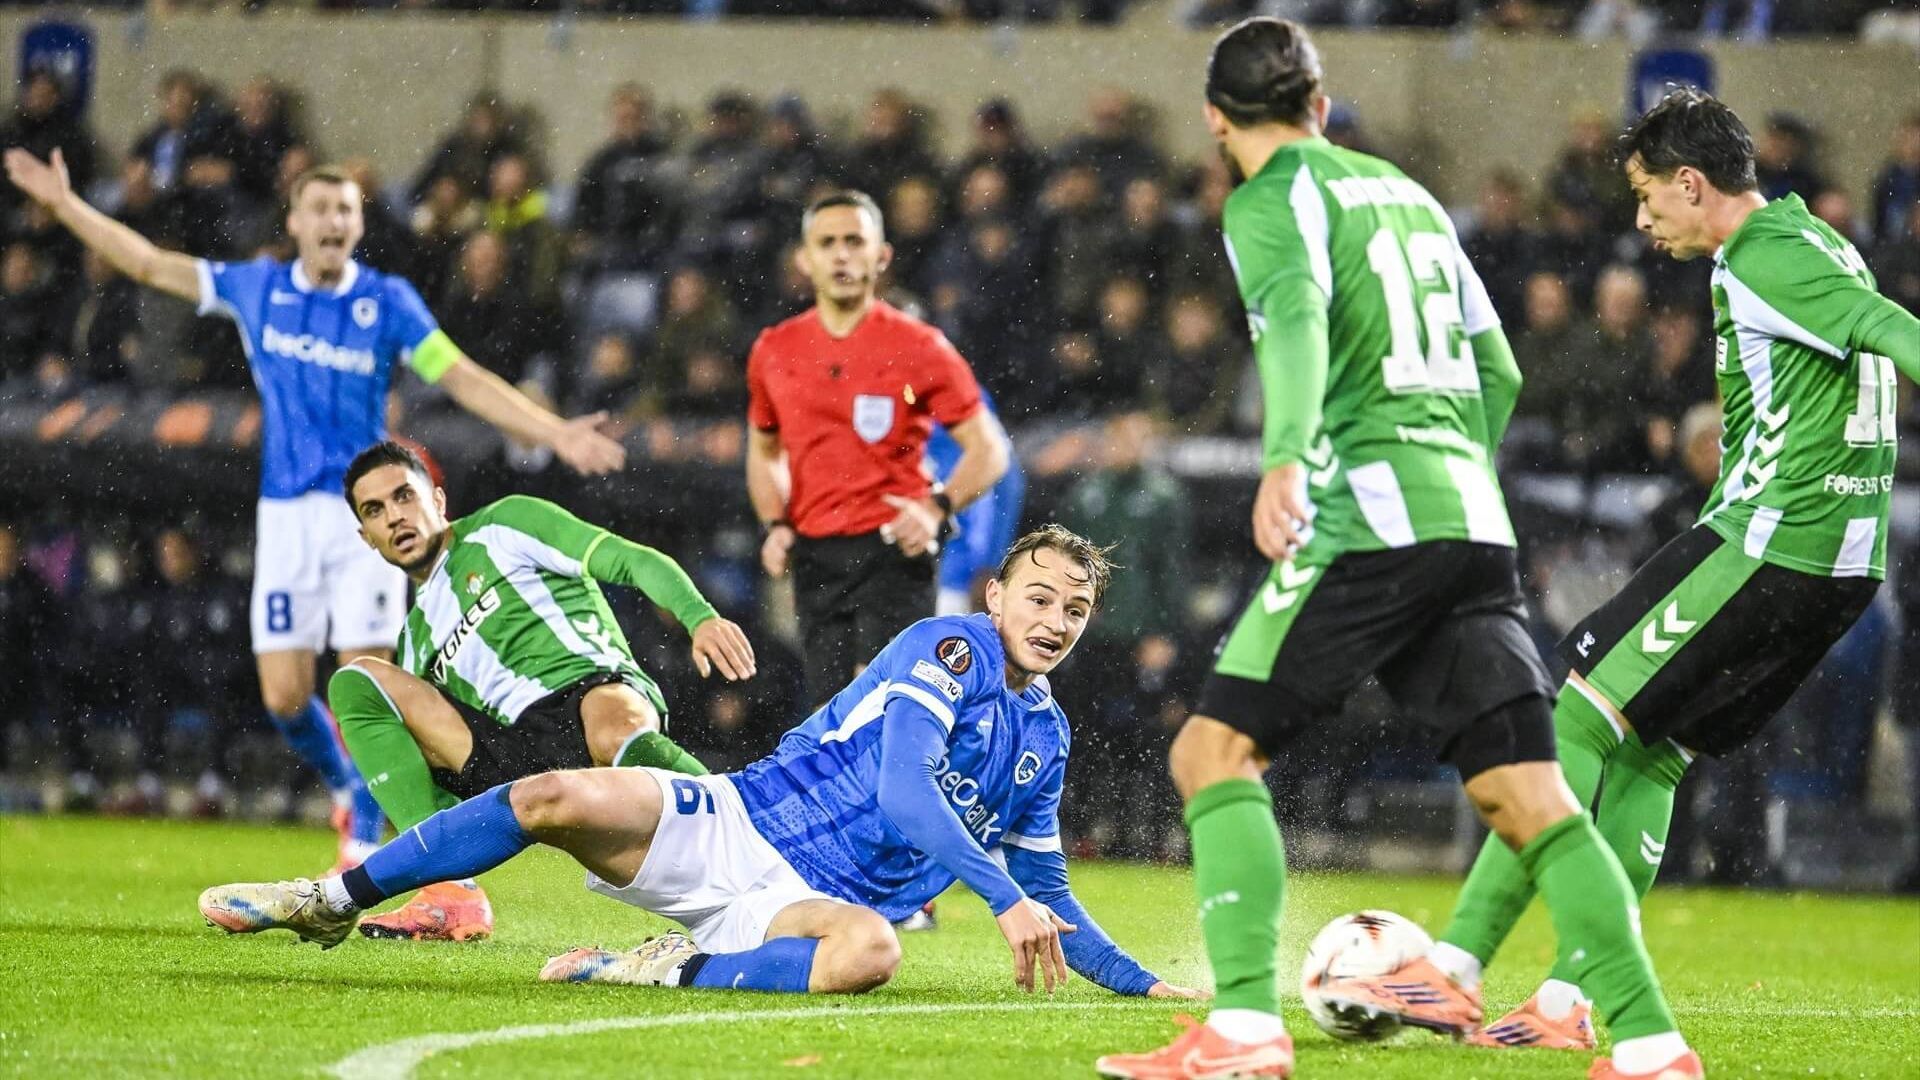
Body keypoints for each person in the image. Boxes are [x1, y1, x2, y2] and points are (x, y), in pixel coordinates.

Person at [1096, 19, 1695, 1080]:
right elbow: (1500, 370)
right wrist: (1451, 468)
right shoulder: (1409, 195)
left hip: (1370, 519)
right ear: (1321, 107)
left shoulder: (1268, 200)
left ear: (1216, 121)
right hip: (1472, 521)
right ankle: (1651, 1045)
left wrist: (1288, 456)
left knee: (1212, 753)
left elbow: (1295, 324)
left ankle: (1243, 1029)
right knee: (1533, 801)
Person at [200, 526, 1205, 1004]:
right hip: (736, 820)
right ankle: (331, 899)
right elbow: (906, 789)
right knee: (547, 794)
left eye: (1075, 610)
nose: (1055, 621)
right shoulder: (950, 649)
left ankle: (665, 965)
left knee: (871, 955)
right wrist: (1000, 899)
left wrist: (1147, 986)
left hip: (801, 908)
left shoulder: (1046, 739)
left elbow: (1048, 894)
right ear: (996, 598)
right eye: (1039, 598)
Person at [1435, 87, 1918, 1056]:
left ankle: (1451, 969)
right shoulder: (1823, 243)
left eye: (1648, 195)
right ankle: (1567, 1001)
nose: (1643, 219)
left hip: (1771, 542)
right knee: (1649, 751)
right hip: (1837, 565)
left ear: (1692, 184)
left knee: (1577, 712)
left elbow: (1893, 330)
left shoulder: (1768, 254)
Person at [3, 149, 626, 870]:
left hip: (365, 518)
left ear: (358, 225)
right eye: (321, 209)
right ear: (294, 222)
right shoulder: (257, 288)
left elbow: (459, 375)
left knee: (365, 680)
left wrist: (552, 432)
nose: (334, 221)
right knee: (285, 697)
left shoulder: (386, 301)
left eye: (346, 210)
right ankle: (346, 783)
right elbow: (146, 263)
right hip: (285, 516)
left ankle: (368, 839)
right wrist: (65, 204)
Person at [326, 441, 754, 942]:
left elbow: (629, 559)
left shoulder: (505, 524)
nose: (395, 517)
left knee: (613, 729)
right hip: (521, 757)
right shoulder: (414, 642)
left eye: (404, 496)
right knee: (358, 681)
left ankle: (752, 822)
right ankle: (447, 891)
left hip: (591, 692)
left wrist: (699, 617)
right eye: (375, 510)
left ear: (437, 500)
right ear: (366, 537)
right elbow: (434, 778)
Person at [747, 190, 1010, 706]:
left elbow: (990, 450)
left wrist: (936, 507)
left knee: (881, 705)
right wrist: (774, 522)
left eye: (854, 241)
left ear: (881, 256)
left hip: (893, 548)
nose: (841, 255)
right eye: (827, 243)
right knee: (830, 711)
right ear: (804, 259)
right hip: (815, 551)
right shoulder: (775, 350)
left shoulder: (919, 346)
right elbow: (764, 449)